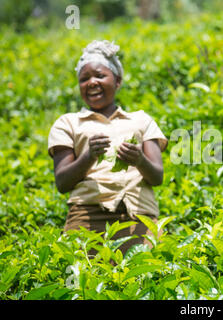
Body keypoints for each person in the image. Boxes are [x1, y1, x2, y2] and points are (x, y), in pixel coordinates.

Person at [48, 40, 168, 255]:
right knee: (85, 281)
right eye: (84, 79)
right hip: (87, 215)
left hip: (138, 215)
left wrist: (139, 160)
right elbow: (63, 182)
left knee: (145, 278)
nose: (91, 82)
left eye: (100, 76)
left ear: (118, 80)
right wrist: (88, 156)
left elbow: (157, 177)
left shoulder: (141, 120)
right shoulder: (67, 123)